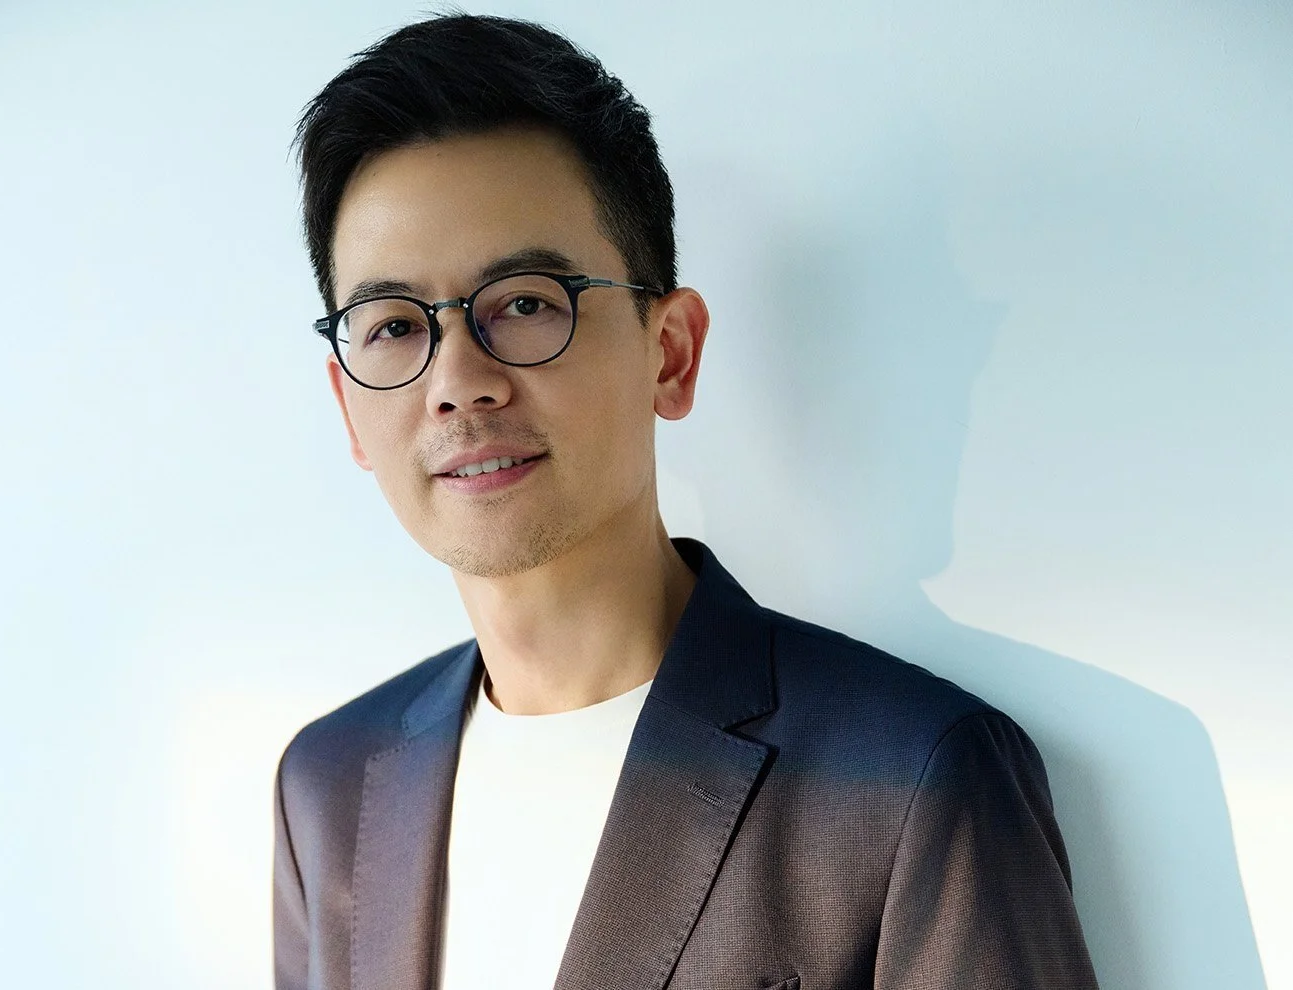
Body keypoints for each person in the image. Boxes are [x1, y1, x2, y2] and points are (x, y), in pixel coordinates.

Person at [273, 13, 1099, 990]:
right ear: (346, 406)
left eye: (527, 302)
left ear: (669, 352)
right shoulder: (328, 786)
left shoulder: (917, 779)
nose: (459, 380)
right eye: (394, 326)